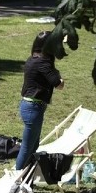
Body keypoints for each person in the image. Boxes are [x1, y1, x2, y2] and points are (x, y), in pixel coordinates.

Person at [14, 32, 65, 170]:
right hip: (33, 107)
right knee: (27, 147)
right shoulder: (43, 62)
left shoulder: (33, 58)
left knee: (33, 145)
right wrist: (59, 76)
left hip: (30, 106)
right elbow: (59, 84)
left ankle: (26, 173)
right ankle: (17, 179)